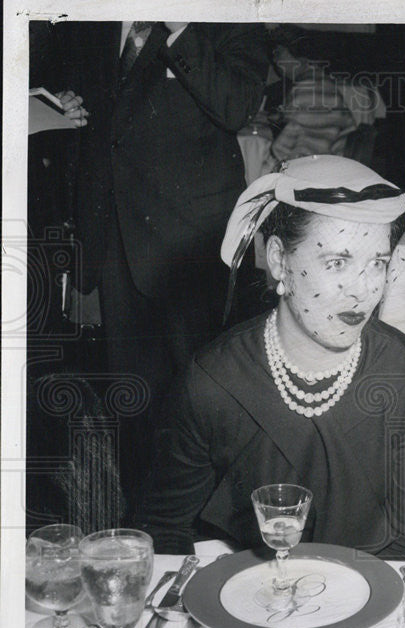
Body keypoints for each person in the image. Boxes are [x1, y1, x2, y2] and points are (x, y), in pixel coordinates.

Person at [135, 156, 405, 561]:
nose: (363, 290)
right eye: (337, 262)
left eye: (378, 263)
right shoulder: (214, 383)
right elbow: (162, 529)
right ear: (279, 261)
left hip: (372, 593)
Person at [53, 22, 270, 502]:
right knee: (130, 404)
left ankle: (206, 532)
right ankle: (147, 532)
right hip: (113, 242)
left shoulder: (227, 17)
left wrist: (179, 26)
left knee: (202, 403)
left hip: (191, 249)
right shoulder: (90, 19)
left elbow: (236, 106)